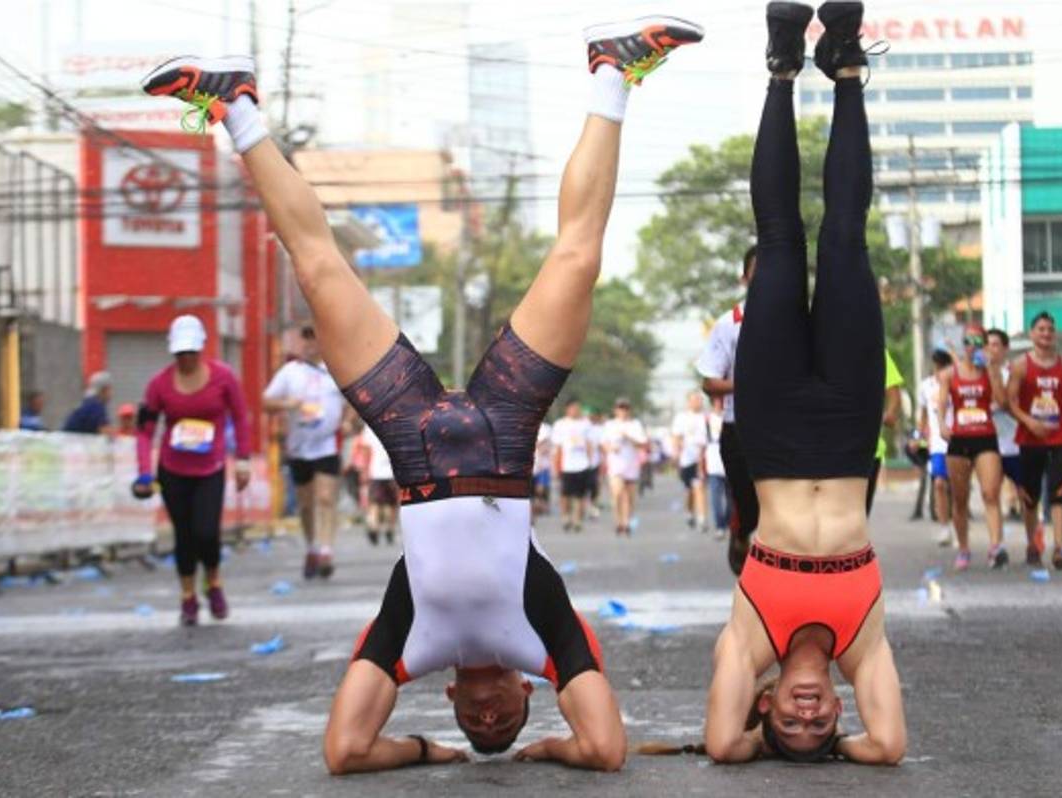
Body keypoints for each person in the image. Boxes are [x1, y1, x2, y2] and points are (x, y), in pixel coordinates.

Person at [144, 14, 702, 771]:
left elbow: (344, 751)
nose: (490, 715)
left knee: (318, 269)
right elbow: (604, 747)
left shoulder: (413, 641)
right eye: (504, 721)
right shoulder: (542, 636)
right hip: (505, 433)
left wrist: (430, 753)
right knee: (576, 259)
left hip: (413, 442)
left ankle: (234, 104)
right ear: (531, 694)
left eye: (483, 727)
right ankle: (613, 70)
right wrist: (539, 754)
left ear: (446, 702)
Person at [704, 3, 905, 766]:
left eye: (788, 724)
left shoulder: (751, 637)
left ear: (767, 705)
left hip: (776, 428)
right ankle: (847, 68)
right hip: (852, 431)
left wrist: (756, 733)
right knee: (846, 238)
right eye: (818, 730)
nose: (808, 716)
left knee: (782, 240)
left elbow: (724, 745)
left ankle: (782, 70)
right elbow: (886, 745)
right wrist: (838, 751)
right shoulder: (863, 647)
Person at [132, 315, 251, 625]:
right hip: (172, 469)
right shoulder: (159, 385)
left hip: (210, 467)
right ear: (173, 352)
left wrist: (243, 459)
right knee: (183, 536)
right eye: (180, 354)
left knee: (206, 532)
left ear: (201, 350)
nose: (186, 359)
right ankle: (187, 596)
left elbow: (240, 417)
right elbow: (144, 430)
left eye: (191, 353)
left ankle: (213, 582)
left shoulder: (223, 378)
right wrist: (144, 472)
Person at [1006, 312, 1062, 570]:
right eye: (1041, 329)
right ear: (1032, 334)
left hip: (1058, 438)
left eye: (1050, 329)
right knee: (1030, 497)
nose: (1046, 334)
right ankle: (1033, 544)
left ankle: (1059, 548)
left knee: (1058, 493)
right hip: (1030, 440)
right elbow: (1010, 402)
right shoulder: (1020, 366)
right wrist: (1029, 422)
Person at [263, 324, 347, 580]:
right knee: (306, 504)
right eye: (307, 340)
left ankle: (326, 550)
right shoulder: (290, 372)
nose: (311, 345)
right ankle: (311, 546)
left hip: (327, 444)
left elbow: (354, 399)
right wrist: (287, 403)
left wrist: (349, 421)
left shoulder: (336, 371)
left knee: (325, 498)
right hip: (299, 447)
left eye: (316, 339)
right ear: (301, 343)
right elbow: (265, 401)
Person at [699, 246, 761, 574]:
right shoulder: (729, 324)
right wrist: (748, 385)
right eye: (758, 268)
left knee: (781, 505)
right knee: (748, 507)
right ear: (744, 277)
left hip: (784, 429)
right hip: (740, 429)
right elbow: (710, 382)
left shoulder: (800, 321)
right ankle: (739, 533)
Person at [938, 325, 1008, 571]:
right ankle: (964, 548)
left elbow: (1001, 400)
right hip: (959, 439)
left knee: (990, 492)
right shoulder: (949, 373)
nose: (973, 346)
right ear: (963, 344)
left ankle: (996, 547)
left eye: (979, 341)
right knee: (960, 499)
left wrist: (993, 370)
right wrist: (941, 425)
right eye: (969, 341)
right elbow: (941, 403)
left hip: (985, 437)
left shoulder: (990, 371)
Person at [986, 329, 1023, 521]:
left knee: (1025, 492)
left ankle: (1033, 537)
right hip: (991, 442)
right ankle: (996, 543)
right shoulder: (979, 373)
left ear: (1005, 348)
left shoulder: (1013, 372)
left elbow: (1002, 402)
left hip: (1015, 441)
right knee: (991, 493)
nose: (990, 349)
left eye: (995, 345)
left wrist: (994, 375)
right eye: (987, 345)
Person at [918, 349, 954, 546]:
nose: (939, 369)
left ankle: (959, 524)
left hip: (957, 440)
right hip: (938, 444)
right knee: (939, 484)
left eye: (943, 365)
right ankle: (944, 527)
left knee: (957, 488)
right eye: (936, 365)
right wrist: (920, 435)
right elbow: (923, 414)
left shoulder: (956, 383)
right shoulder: (926, 386)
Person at [602, 396, 648, 537]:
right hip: (616, 466)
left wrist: (629, 437)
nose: (623, 411)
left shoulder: (635, 425)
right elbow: (604, 444)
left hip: (631, 465)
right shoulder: (610, 425)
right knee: (617, 494)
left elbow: (643, 444)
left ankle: (626, 522)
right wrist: (611, 449)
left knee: (630, 497)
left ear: (629, 410)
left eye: (625, 408)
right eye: (620, 408)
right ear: (615, 410)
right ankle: (619, 521)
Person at [867, 350, 903, 515]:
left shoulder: (871, 345)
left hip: (867, 449)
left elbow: (893, 390)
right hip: (822, 449)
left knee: (856, 516)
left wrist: (890, 415)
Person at [552, 398, 595, 533]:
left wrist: (590, 462)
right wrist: (556, 465)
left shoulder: (586, 424)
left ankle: (578, 520)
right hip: (567, 465)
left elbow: (589, 444)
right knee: (565, 494)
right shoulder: (560, 424)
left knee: (580, 495)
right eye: (573, 408)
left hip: (582, 465)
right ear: (568, 409)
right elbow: (558, 447)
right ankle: (566, 517)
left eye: (578, 408)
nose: (576, 410)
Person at [671, 391, 710, 533]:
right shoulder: (681, 418)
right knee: (690, 491)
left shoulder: (707, 417)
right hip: (686, 460)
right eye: (695, 399)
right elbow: (676, 437)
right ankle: (690, 513)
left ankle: (702, 519)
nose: (698, 402)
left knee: (700, 488)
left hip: (702, 459)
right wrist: (675, 454)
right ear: (688, 402)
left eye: (700, 399)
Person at [360, 423, 397, 546]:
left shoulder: (370, 424)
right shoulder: (396, 422)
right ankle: (389, 529)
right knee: (391, 504)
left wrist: (364, 470)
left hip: (375, 472)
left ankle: (374, 527)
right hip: (393, 472)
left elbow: (365, 449)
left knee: (375, 504)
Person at [706, 397, 731, 540]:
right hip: (714, 464)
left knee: (731, 500)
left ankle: (728, 523)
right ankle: (719, 526)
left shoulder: (731, 417)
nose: (720, 403)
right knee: (716, 498)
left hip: (729, 464)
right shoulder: (706, 420)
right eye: (717, 400)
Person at [533, 420, 553, 517]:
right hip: (530, 466)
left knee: (541, 488)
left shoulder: (545, 428)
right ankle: (537, 505)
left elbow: (546, 445)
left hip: (542, 465)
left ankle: (542, 503)